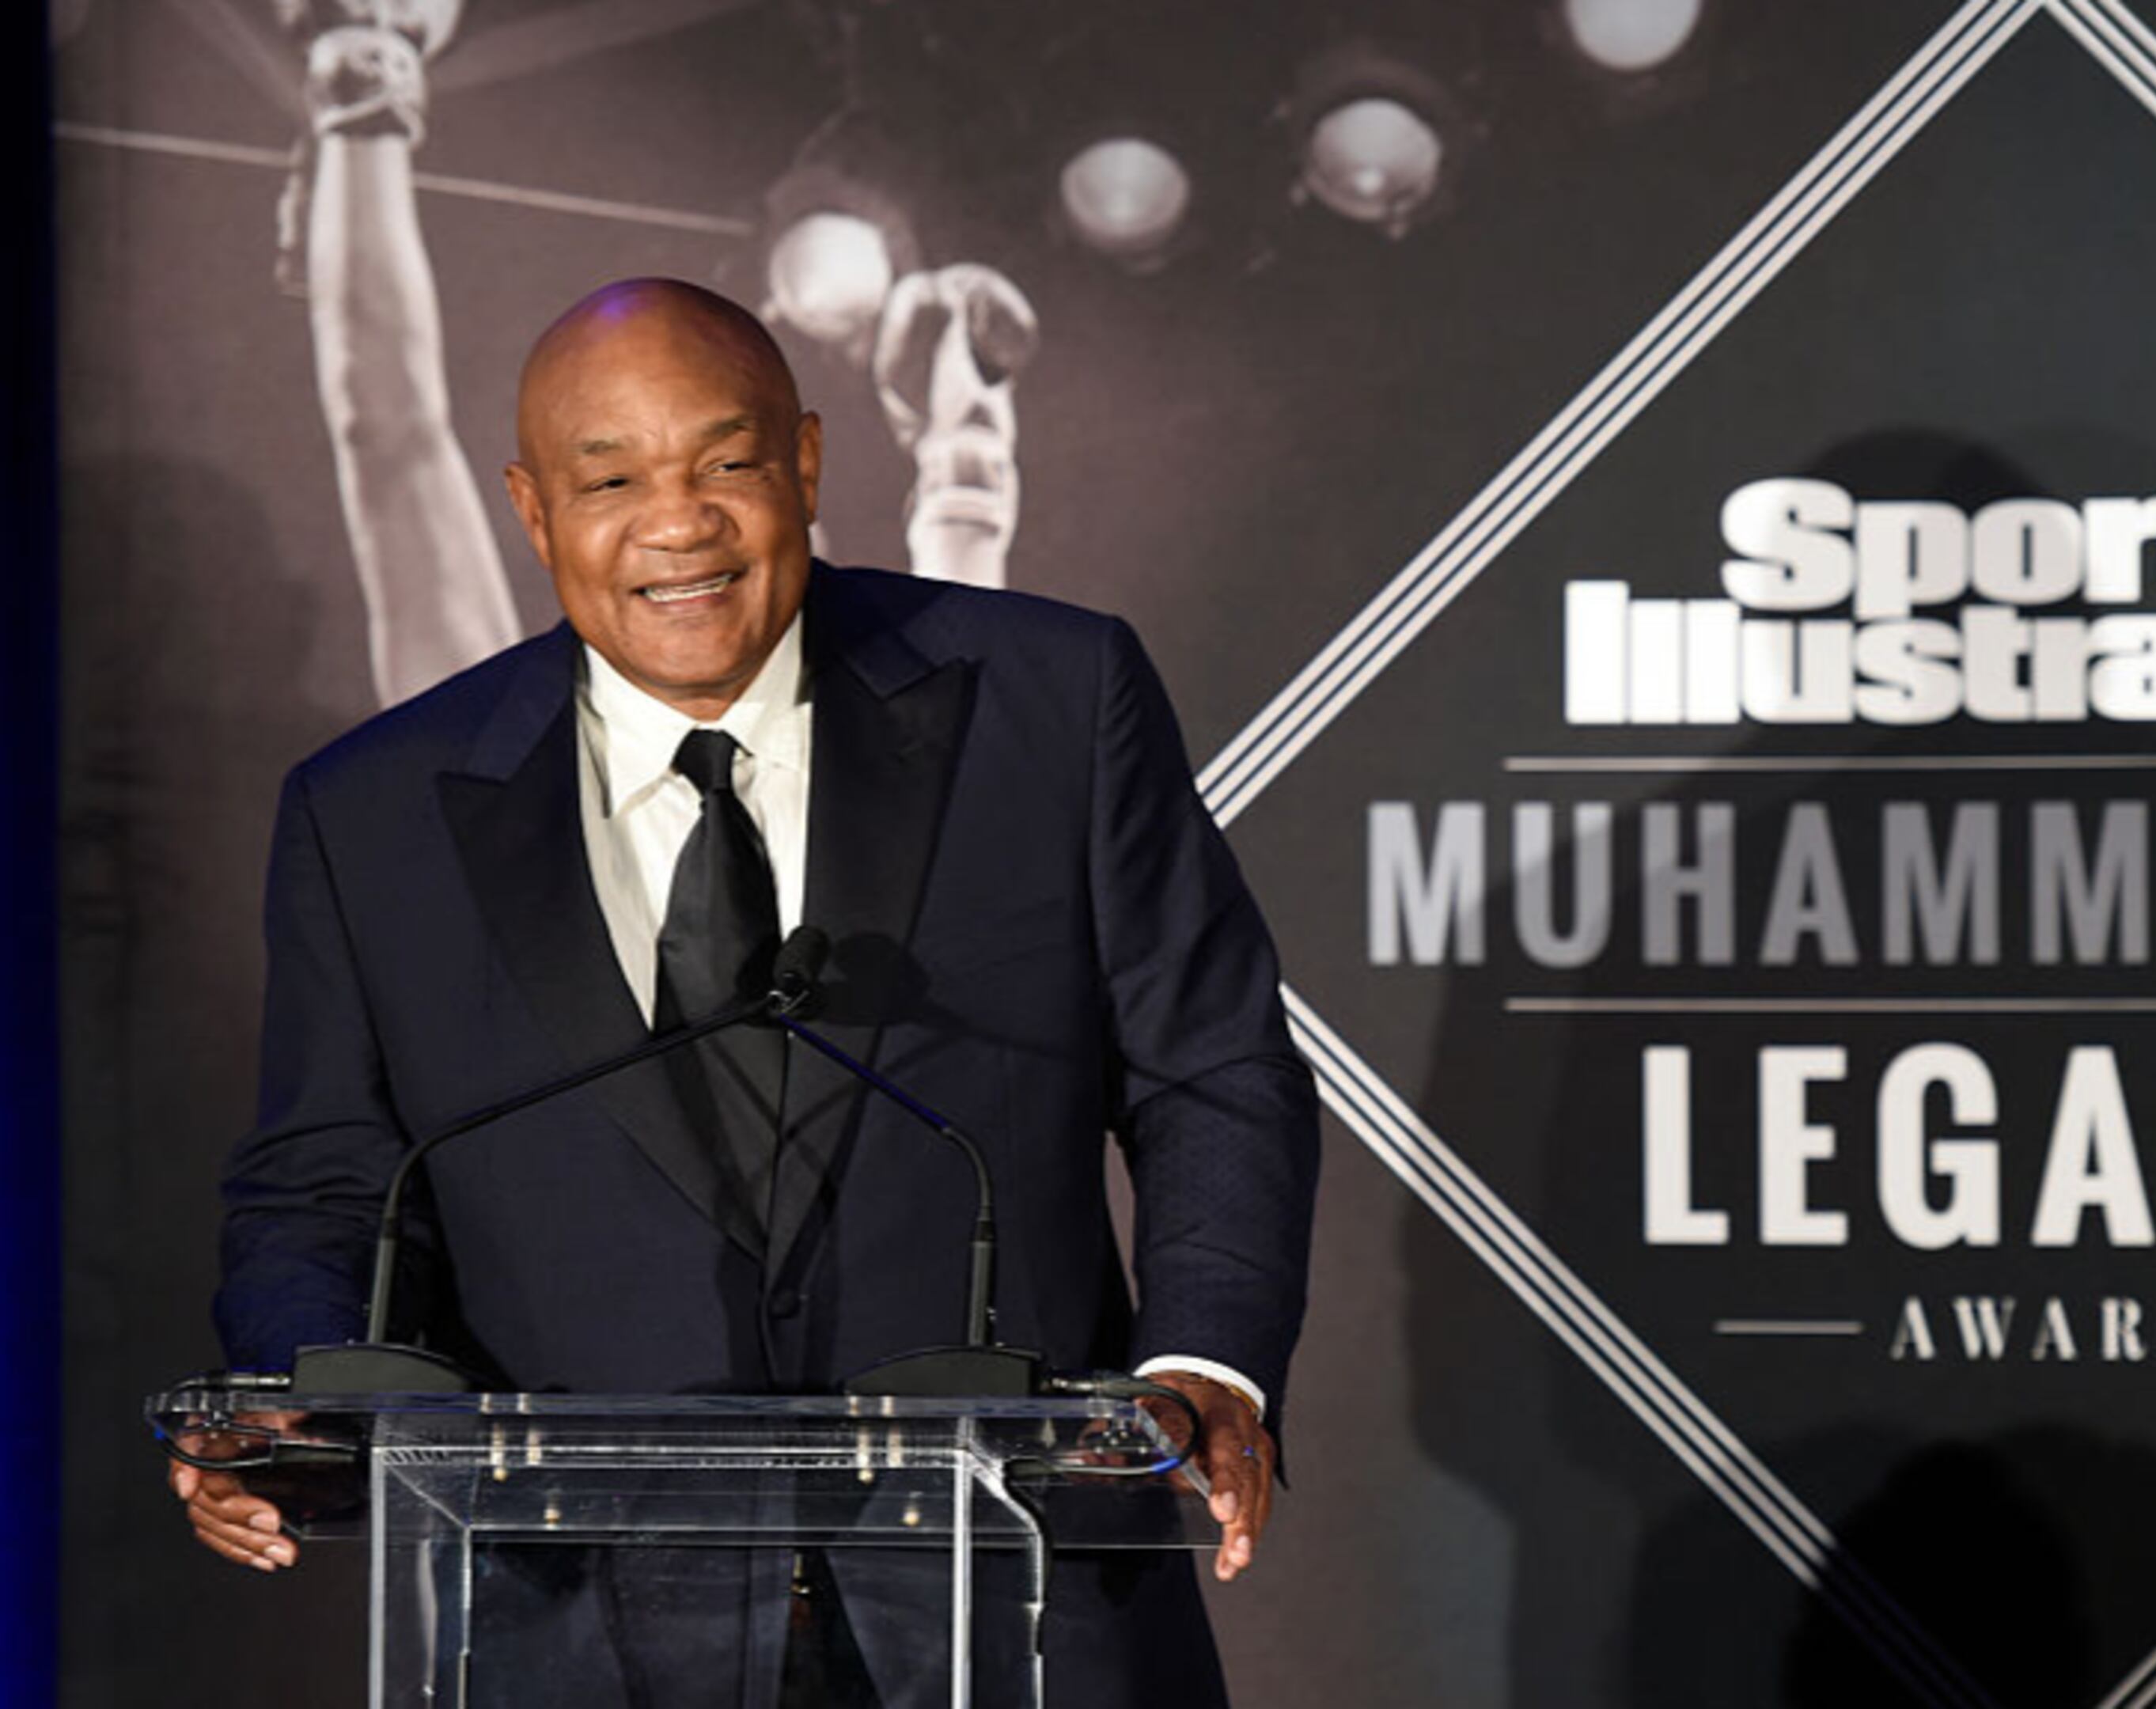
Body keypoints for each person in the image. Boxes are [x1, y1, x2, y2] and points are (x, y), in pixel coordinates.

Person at [167, 277, 1317, 1707]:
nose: (678, 523)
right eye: (613, 480)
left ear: (810, 463)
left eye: (727, 464)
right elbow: (324, 1182)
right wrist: (293, 1406)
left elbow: (1210, 1068)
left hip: (1016, 1599)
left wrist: (1207, 1365)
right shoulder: (377, 811)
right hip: (579, 1623)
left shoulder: (1054, 701)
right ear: (532, 511)